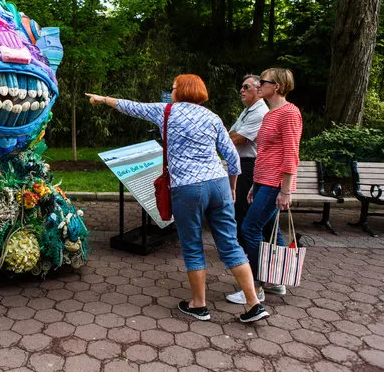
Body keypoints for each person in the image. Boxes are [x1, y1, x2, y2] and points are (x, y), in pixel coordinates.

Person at [86, 74, 269, 323]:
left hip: (188, 188)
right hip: (218, 185)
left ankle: (199, 305)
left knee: (193, 245)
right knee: (230, 245)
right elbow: (233, 158)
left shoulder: (167, 112)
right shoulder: (212, 117)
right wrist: (232, 186)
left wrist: (103, 99)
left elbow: (132, 107)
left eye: (173, 87)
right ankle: (253, 304)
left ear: (181, 90)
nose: (170, 91)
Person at [226, 68, 302, 305]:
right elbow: (265, 153)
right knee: (271, 229)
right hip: (262, 181)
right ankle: (277, 280)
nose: (258, 85)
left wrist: (286, 190)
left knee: (249, 228)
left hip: (275, 184)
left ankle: (255, 287)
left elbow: (291, 153)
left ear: (276, 86)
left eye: (262, 82)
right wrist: (254, 185)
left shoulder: (289, 113)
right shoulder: (270, 115)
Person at [229, 74, 268, 244]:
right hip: (242, 163)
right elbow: (230, 135)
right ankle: (243, 245)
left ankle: (244, 247)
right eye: (242, 86)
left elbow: (235, 139)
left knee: (243, 207)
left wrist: (232, 136)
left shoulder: (260, 113)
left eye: (246, 87)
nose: (241, 90)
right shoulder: (247, 111)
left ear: (259, 90)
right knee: (239, 206)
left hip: (249, 165)